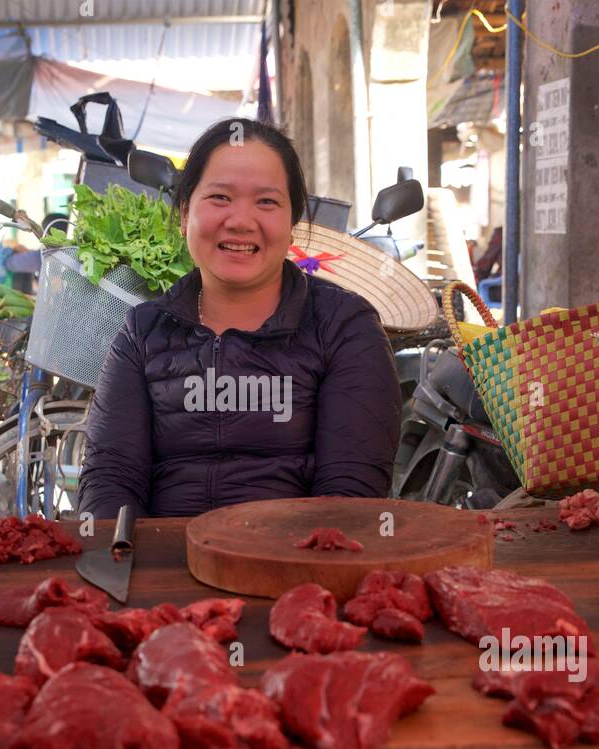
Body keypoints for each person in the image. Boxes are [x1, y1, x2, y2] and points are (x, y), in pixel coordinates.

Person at [77, 117, 401, 518]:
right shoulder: (143, 331)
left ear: (292, 226)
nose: (241, 221)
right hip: (164, 565)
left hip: (296, 566)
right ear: (184, 215)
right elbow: (111, 478)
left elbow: (351, 495)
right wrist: (127, 563)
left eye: (266, 202)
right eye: (220, 198)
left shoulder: (344, 327)